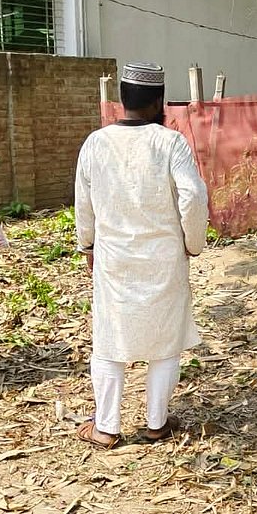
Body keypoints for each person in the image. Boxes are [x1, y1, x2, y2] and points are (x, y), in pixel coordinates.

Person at [74, 62, 208, 448]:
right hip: (164, 259)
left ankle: (105, 427)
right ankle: (156, 423)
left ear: (122, 99)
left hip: (113, 260)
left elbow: (83, 203)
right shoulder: (171, 143)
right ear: (158, 101)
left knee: (110, 339)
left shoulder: (96, 143)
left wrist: (88, 245)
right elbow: (193, 196)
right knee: (165, 341)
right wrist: (193, 243)